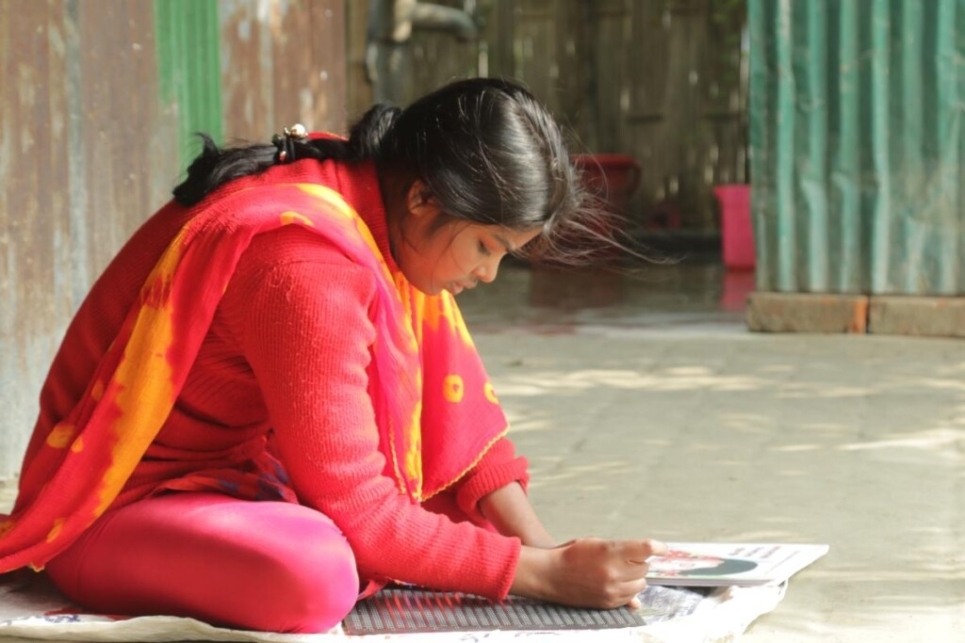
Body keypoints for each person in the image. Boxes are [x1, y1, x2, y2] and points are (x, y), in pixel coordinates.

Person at [0, 78, 665, 633]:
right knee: (316, 573)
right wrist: (540, 576)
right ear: (425, 197)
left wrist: (544, 550)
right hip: (113, 510)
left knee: (447, 508)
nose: (489, 275)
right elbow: (367, 515)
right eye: (487, 247)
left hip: (244, 477)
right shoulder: (305, 260)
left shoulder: (385, 211)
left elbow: (457, 431)